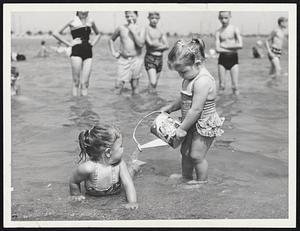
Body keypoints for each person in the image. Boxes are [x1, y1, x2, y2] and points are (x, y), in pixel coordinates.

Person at [161, 39, 224, 186]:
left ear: (197, 63)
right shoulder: (189, 77)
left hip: (203, 125)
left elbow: (196, 110)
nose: (181, 75)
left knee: (196, 156)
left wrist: (182, 128)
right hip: (190, 122)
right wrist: (171, 107)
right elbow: (184, 99)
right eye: (178, 72)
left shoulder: (203, 81)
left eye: (182, 71)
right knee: (185, 153)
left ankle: (201, 182)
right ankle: (186, 177)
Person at [69, 124, 140, 209]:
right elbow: (74, 181)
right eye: (121, 146)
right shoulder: (87, 168)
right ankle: (134, 162)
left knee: (131, 172)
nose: (123, 149)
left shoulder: (120, 164)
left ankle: (135, 163)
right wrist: (76, 195)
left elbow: (128, 184)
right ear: (108, 152)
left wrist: (132, 202)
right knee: (129, 171)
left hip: (118, 186)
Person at [53, 11, 101, 96]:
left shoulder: (90, 21)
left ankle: (85, 107)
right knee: (76, 82)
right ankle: (76, 107)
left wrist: (92, 44)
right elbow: (55, 33)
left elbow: (99, 34)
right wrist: (69, 44)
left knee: (85, 83)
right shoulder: (72, 20)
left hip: (88, 51)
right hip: (76, 51)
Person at [109, 11, 145, 95]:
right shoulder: (121, 28)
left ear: (137, 15)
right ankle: (117, 106)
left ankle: (135, 106)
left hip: (136, 59)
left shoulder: (141, 28)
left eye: (132, 16)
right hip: (123, 60)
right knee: (118, 85)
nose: (129, 18)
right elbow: (111, 40)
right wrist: (113, 52)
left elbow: (140, 44)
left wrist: (133, 31)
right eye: (127, 16)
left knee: (135, 84)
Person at [215, 11, 243, 95]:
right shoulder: (218, 32)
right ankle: (220, 106)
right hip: (222, 59)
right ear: (219, 18)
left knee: (235, 86)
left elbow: (240, 45)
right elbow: (217, 49)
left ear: (230, 17)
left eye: (226, 18)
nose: (223, 20)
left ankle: (236, 105)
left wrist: (225, 46)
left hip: (233, 59)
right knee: (221, 86)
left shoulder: (235, 29)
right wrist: (233, 49)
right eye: (221, 18)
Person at [144, 12, 169, 94]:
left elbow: (167, 46)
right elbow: (150, 44)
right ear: (148, 18)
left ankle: (150, 99)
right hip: (150, 58)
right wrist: (161, 45)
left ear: (158, 19)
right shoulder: (146, 29)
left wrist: (157, 46)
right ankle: (148, 98)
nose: (154, 20)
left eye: (156, 18)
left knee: (154, 84)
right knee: (153, 82)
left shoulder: (160, 31)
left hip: (159, 59)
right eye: (152, 18)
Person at [265, 17, 288, 82]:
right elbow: (266, 40)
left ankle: (268, 85)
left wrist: (283, 51)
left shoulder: (283, 32)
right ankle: (276, 85)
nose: (287, 24)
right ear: (281, 23)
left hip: (278, 52)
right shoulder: (275, 30)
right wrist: (269, 52)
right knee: (278, 69)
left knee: (272, 71)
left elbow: (279, 43)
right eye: (286, 22)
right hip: (273, 51)